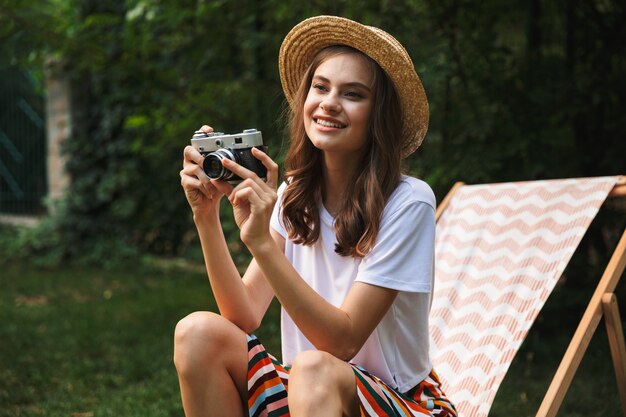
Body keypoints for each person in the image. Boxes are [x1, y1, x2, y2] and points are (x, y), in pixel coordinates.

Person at [175, 15, 457, 417]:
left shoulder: (408, 202)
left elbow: (342, 343)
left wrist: (259, 242)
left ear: (379, 116)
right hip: (309, 393)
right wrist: (205, 216)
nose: (328, 102)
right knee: (197, 332)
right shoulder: (293, 196)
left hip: (402, 403)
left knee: (313, 368)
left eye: (353, 94)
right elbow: (243, 314)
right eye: (320, 87)